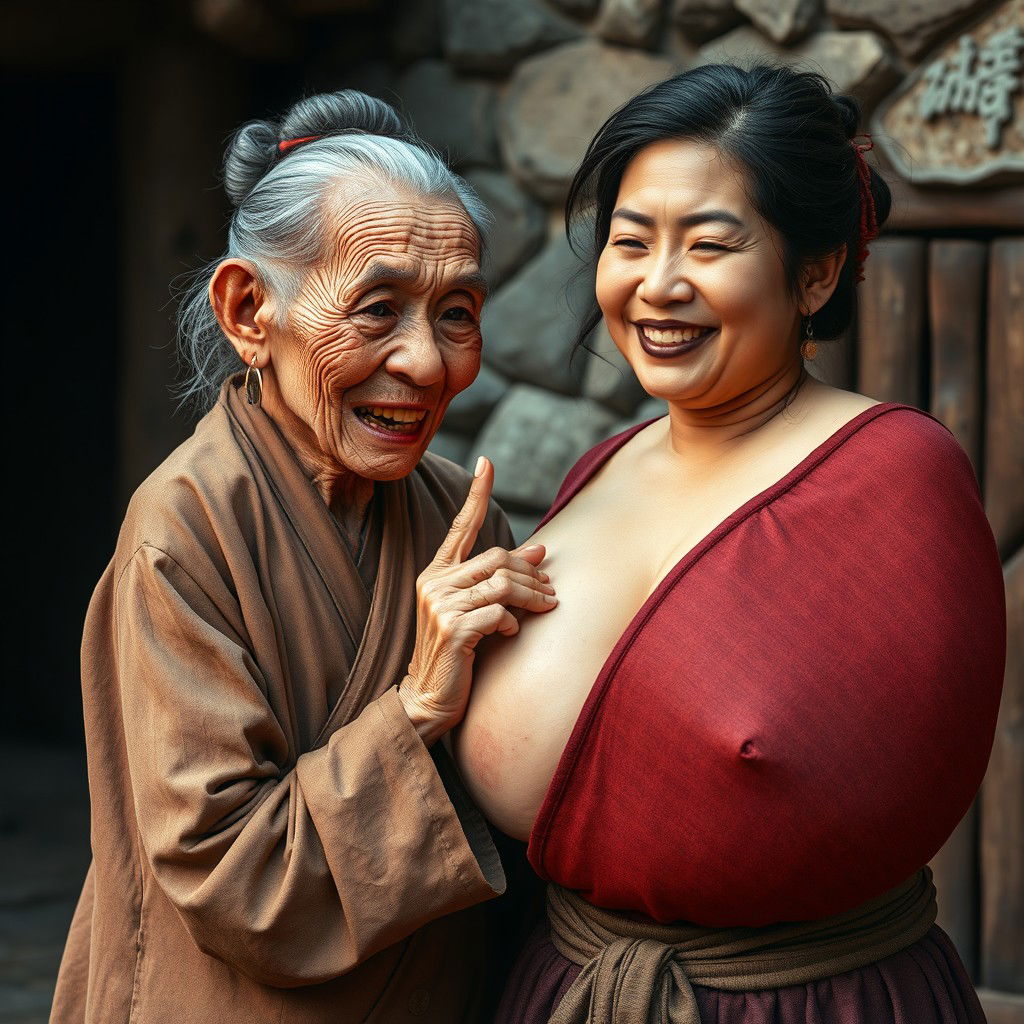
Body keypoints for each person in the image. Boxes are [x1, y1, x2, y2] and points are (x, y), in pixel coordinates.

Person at [455, 64, 1006, 1023]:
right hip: (565, 988)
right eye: (631, 242)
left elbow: (893, 785)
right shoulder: (600, 468)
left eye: (710, 245)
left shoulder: (895, 479)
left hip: (799, 1002)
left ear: (816, 273)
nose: (658, 284)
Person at [51, 90, 558, 1024]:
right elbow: (233, 881)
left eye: (456, 312)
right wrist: (417, 707)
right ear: (251, 312)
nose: (428, 363)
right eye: (378, 309)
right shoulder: (186, 528)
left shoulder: (456, 513)